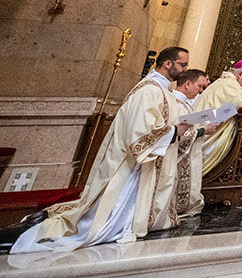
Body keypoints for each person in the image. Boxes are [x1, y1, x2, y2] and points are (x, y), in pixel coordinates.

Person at [11, 47, 193, 252]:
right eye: (182, 64)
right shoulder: (149, 90)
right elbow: (139, 132)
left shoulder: (161, 90)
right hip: (131, 165)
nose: (185, 69)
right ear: (168, 63)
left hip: (144, 164)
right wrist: (174, 130)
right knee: (105, 216)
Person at [195, 59, 242, 174]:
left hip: (207, 121)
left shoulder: (227, 83)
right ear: (240, 74)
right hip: (207, 127)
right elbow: (239, 103)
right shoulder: (228, 84)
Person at [171, 69, 216, 218]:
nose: (201, 91)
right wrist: (203, 131)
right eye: (200, 86)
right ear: (188, 84)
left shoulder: (183, 104)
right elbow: (177, 133)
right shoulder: (174, 104)